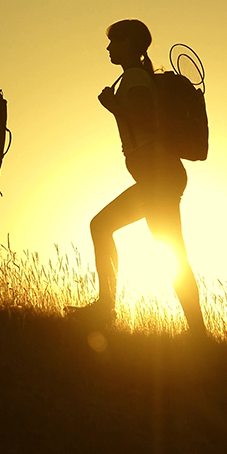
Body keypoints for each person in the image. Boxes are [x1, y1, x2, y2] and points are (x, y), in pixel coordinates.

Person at [79, 19, 206, 335]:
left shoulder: (134, 78)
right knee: (173, 251)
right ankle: (199, 334)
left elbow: (144, 121)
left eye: (115, 42)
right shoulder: (136, 76)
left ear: (130, 44)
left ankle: (105, 309)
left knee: (102, 226)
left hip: (157, 176)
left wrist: (113, 107)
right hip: (161, 175)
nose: (108, 47)